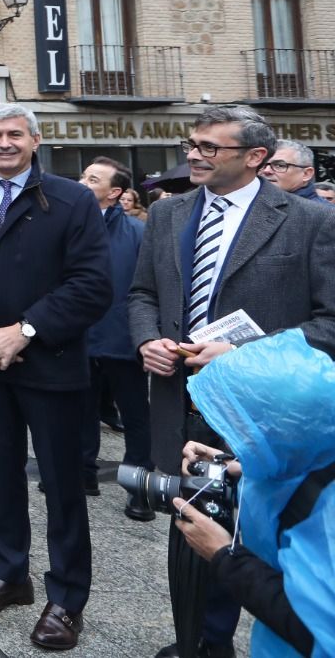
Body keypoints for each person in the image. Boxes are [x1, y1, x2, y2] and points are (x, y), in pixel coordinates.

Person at [127, 105, 335, 658]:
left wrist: (240, 354)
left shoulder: (309, 221)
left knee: (245, 528)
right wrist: (147, 339)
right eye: (192, 143)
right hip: (179, 397)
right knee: (186, 523)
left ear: (255, 157)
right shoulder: (169, 213)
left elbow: (330, 322)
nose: (194, 154)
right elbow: (143, 293)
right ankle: (190, 640)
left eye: (209, 147)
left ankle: (219, 641)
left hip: (260, 411)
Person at [0, 103, 112, 651]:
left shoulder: (71, 200)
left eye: (15, 134)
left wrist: (24, 332)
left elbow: (92, 285)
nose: (4, 143)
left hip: (51, 367)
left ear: (36, 140)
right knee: (0, 477)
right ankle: (10, 575)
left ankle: (66, 599)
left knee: (61, 486)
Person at [176, 326, 333, 658]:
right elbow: (299, 468)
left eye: (244, 427)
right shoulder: (315, 446)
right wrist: (233, 464)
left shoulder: (327, 515)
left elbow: (313, 630)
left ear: (280, 425)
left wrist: (223, 555)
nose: (235, 438)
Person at [76, 157, 152, 520]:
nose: (81, 182)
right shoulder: (69, 226)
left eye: (92, 179)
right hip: (78, 338)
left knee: (136, 416)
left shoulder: (137, 233)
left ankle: (139, 488)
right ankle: (83, 474)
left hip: (124, 341)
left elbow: (147, 289)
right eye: (83, 175)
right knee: (81, 412)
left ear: (115, 192)